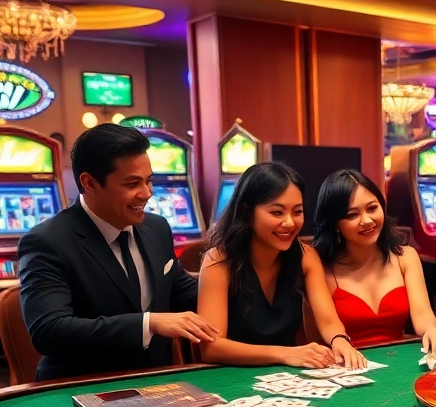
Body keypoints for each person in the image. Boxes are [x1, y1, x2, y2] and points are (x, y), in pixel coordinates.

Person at [18, 124, 216, 381]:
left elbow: (183, 293)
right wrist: (148, 323)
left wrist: (239, 282)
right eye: (132, 183)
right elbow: (49, 331)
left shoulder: (156, 228)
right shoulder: (46, 241)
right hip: (80, 389)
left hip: (158, 381)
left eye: (149, 181)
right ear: (89, 183)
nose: (147, 194)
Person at [197, 162, 367, 369]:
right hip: (232, 375)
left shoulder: (306, 256)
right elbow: (211, 348)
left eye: (297, 212)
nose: (289, 223)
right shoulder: (218, 262)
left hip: (288, 374)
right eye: (277, 213)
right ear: (247, 212)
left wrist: (340, 340)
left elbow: (328, 321)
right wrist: (284, 353)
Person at [311, 169, 436, 358]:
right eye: (352, 215)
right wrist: (340, 341)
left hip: (397, 359)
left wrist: (432, 331)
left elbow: (422, 315)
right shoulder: (321, 267)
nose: (367, 220)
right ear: (335, 224)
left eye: (372, 208)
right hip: (348, 365)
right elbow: (328, 325)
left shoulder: (406, 257)